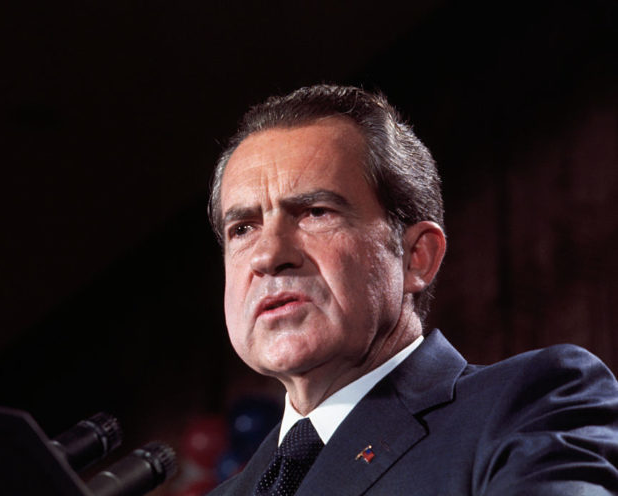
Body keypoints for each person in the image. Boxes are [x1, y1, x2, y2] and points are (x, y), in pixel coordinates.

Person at [205, 84, 618, 495]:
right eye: (242, 229)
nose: (269, 255)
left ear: (416, 256)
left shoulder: (526, 408)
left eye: (316, 212)